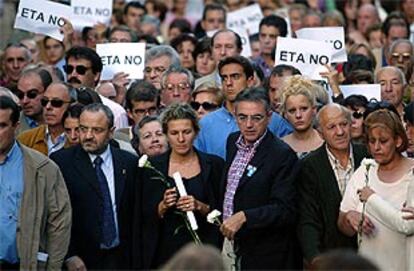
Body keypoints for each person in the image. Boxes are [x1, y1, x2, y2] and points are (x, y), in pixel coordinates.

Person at [50, 103, 139, 270]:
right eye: (83, 129)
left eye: (97, 130)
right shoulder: (61, 162)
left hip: (122, 258)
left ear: (111, 132)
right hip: (81, 261)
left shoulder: (129, 162)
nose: (88, 136)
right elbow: (54, 214)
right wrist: (69, 254)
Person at [219, 87, 300, 270]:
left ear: (269, 117)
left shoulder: (282, 155)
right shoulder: (232, 141)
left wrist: (245, 217)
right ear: (234, 116)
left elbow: (286, 209)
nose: (248, 124)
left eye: (256, 118)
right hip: (230, 244)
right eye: (242, 117)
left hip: (265, 253)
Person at [138, 103, 224, 268]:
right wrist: (162, 206)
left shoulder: (214, 165)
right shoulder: (151, 169)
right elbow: (141, 218)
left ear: (196, 132)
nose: (181, 139)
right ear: (166, 135)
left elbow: (225, 213)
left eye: (186, 132)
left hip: (205, 253)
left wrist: (200, 206)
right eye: (174, 133)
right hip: (165, 255)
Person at [0, 96, 71, 270]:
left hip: (21, 264)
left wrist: (53, 267)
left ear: (16, 127)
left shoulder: (42, 168)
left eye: (1, 126)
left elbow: (59, 223)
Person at [339, 109, 414, 270]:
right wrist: (349, 217)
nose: (376, 147)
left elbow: (407, 225)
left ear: (398, 141)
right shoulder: (365, 171)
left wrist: (371, 198)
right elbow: (343, 223)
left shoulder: (412, 174)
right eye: (372, 141)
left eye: (383, 141)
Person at [298, 103, 368, 266]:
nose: (340, 132)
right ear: (320, 133)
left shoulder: (367, 155)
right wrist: (315, 257)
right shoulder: (309, 166)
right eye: (331, 127)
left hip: (372, 252)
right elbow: (308, 218)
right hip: (331, 256)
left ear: (351, 125)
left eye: (343, 124)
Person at [195, 56, 292, 159]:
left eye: (235, 77)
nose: (228, 83)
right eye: (224, 78)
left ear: (250, 81)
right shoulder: (206, 124)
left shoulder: (274, 121)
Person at [65, 46, 129, 129]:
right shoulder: (56, 106)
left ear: (96, 75)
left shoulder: (115, 111)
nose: (73, 74)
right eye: (69, 69)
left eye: (81, 70)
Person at [18, 83, 76, 156]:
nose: (48, 107)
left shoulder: (78, 139)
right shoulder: (25, 139)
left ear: (72, 105)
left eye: (56, 102)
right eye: (44, 101)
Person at [280, 76, 324, 158]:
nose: (298, 115)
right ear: (285, 114)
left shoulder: (327, 142)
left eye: (304, 109)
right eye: (292, 110)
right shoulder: (279, 146)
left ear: (314, 109)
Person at [16, 68, 53, 134]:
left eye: (32, 94)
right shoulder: (12, 126)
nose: (25, 101)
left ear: (48, 92)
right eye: (20, 95)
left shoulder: (65, 121)